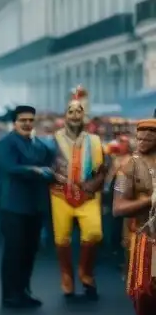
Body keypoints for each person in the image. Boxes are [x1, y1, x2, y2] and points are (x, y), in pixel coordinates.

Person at [0, 105, 54, 308]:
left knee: (30, 250)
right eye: (23, 120)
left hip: (35, 206)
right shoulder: (5, 144)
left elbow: (51, 166)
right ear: (15, 122)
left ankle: (24, 291)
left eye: (30, 120)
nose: (27, 124)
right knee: (14, 251)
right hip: (12, 206)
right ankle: (10, 295)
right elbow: (10, 168)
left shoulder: (40, 145)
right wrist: (36, 170)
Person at [50, 86, 106, 301]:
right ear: (65, 115)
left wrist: (93, 185)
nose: (75, 115)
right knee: (61, 238)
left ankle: (86, 273)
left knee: (93, 233)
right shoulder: (52, 140)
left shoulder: (94, 140)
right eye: (71, 111)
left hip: (88, 194)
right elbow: (46, 165)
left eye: (79, 111)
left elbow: (101, 170)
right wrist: (55, 176)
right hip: (60, 195)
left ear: (84, 115)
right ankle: (66, 276)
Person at [112, 118, 156, 315]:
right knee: (143, 294)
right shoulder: (127, 167)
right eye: (139, 138)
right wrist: (149, 200)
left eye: (148, 139)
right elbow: (118, 208)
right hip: (145, 239)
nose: (141, 143)